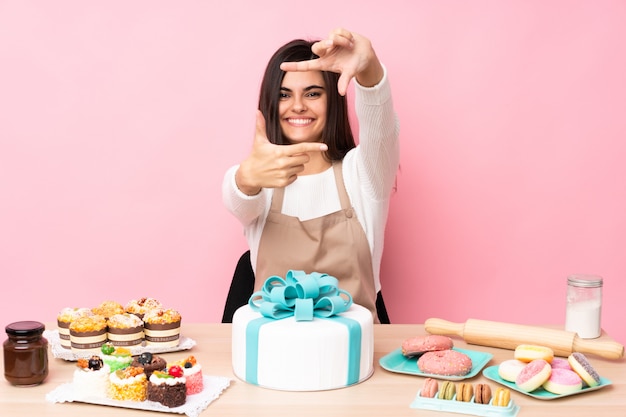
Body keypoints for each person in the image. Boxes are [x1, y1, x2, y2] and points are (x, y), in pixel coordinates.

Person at [222, 28, 399, 323]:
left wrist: (369, 69)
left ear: (333, 100)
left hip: (353, 356)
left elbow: (381, 128)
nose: (298, 105)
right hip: (272, 355)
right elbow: (237, 198)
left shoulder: (364, 174)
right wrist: (246, 178)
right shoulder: (261, 181)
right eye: (284, 95)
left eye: (313, 93)